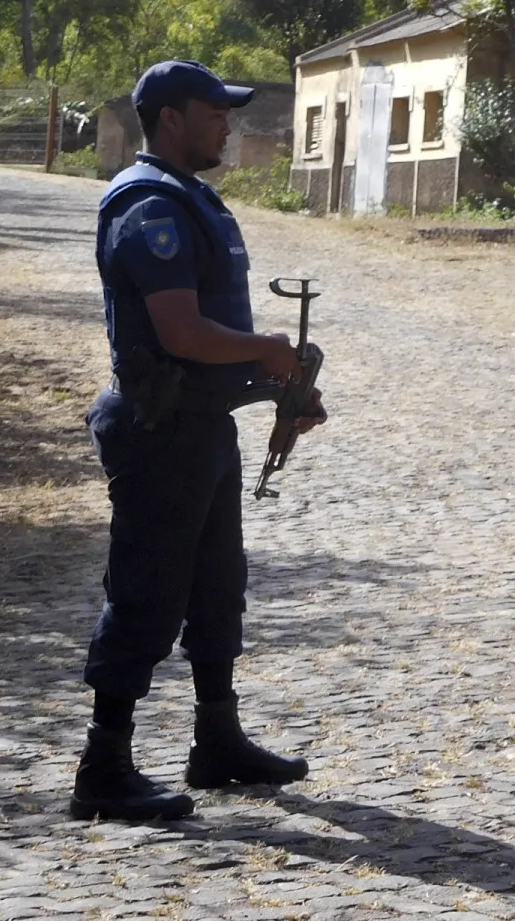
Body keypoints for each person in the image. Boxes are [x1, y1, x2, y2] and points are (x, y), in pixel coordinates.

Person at [72, 60, 327, 821]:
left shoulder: (195, 199)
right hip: (158, 432)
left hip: (200, 428)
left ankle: (217, 740)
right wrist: (267, 350)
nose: (228, 122)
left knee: (217, 590)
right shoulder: (147, 203)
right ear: (171, 118)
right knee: (147, 594)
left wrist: (281, 387)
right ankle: (104, 768)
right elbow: (180, 332)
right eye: (214, 111)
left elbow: (205, 339)